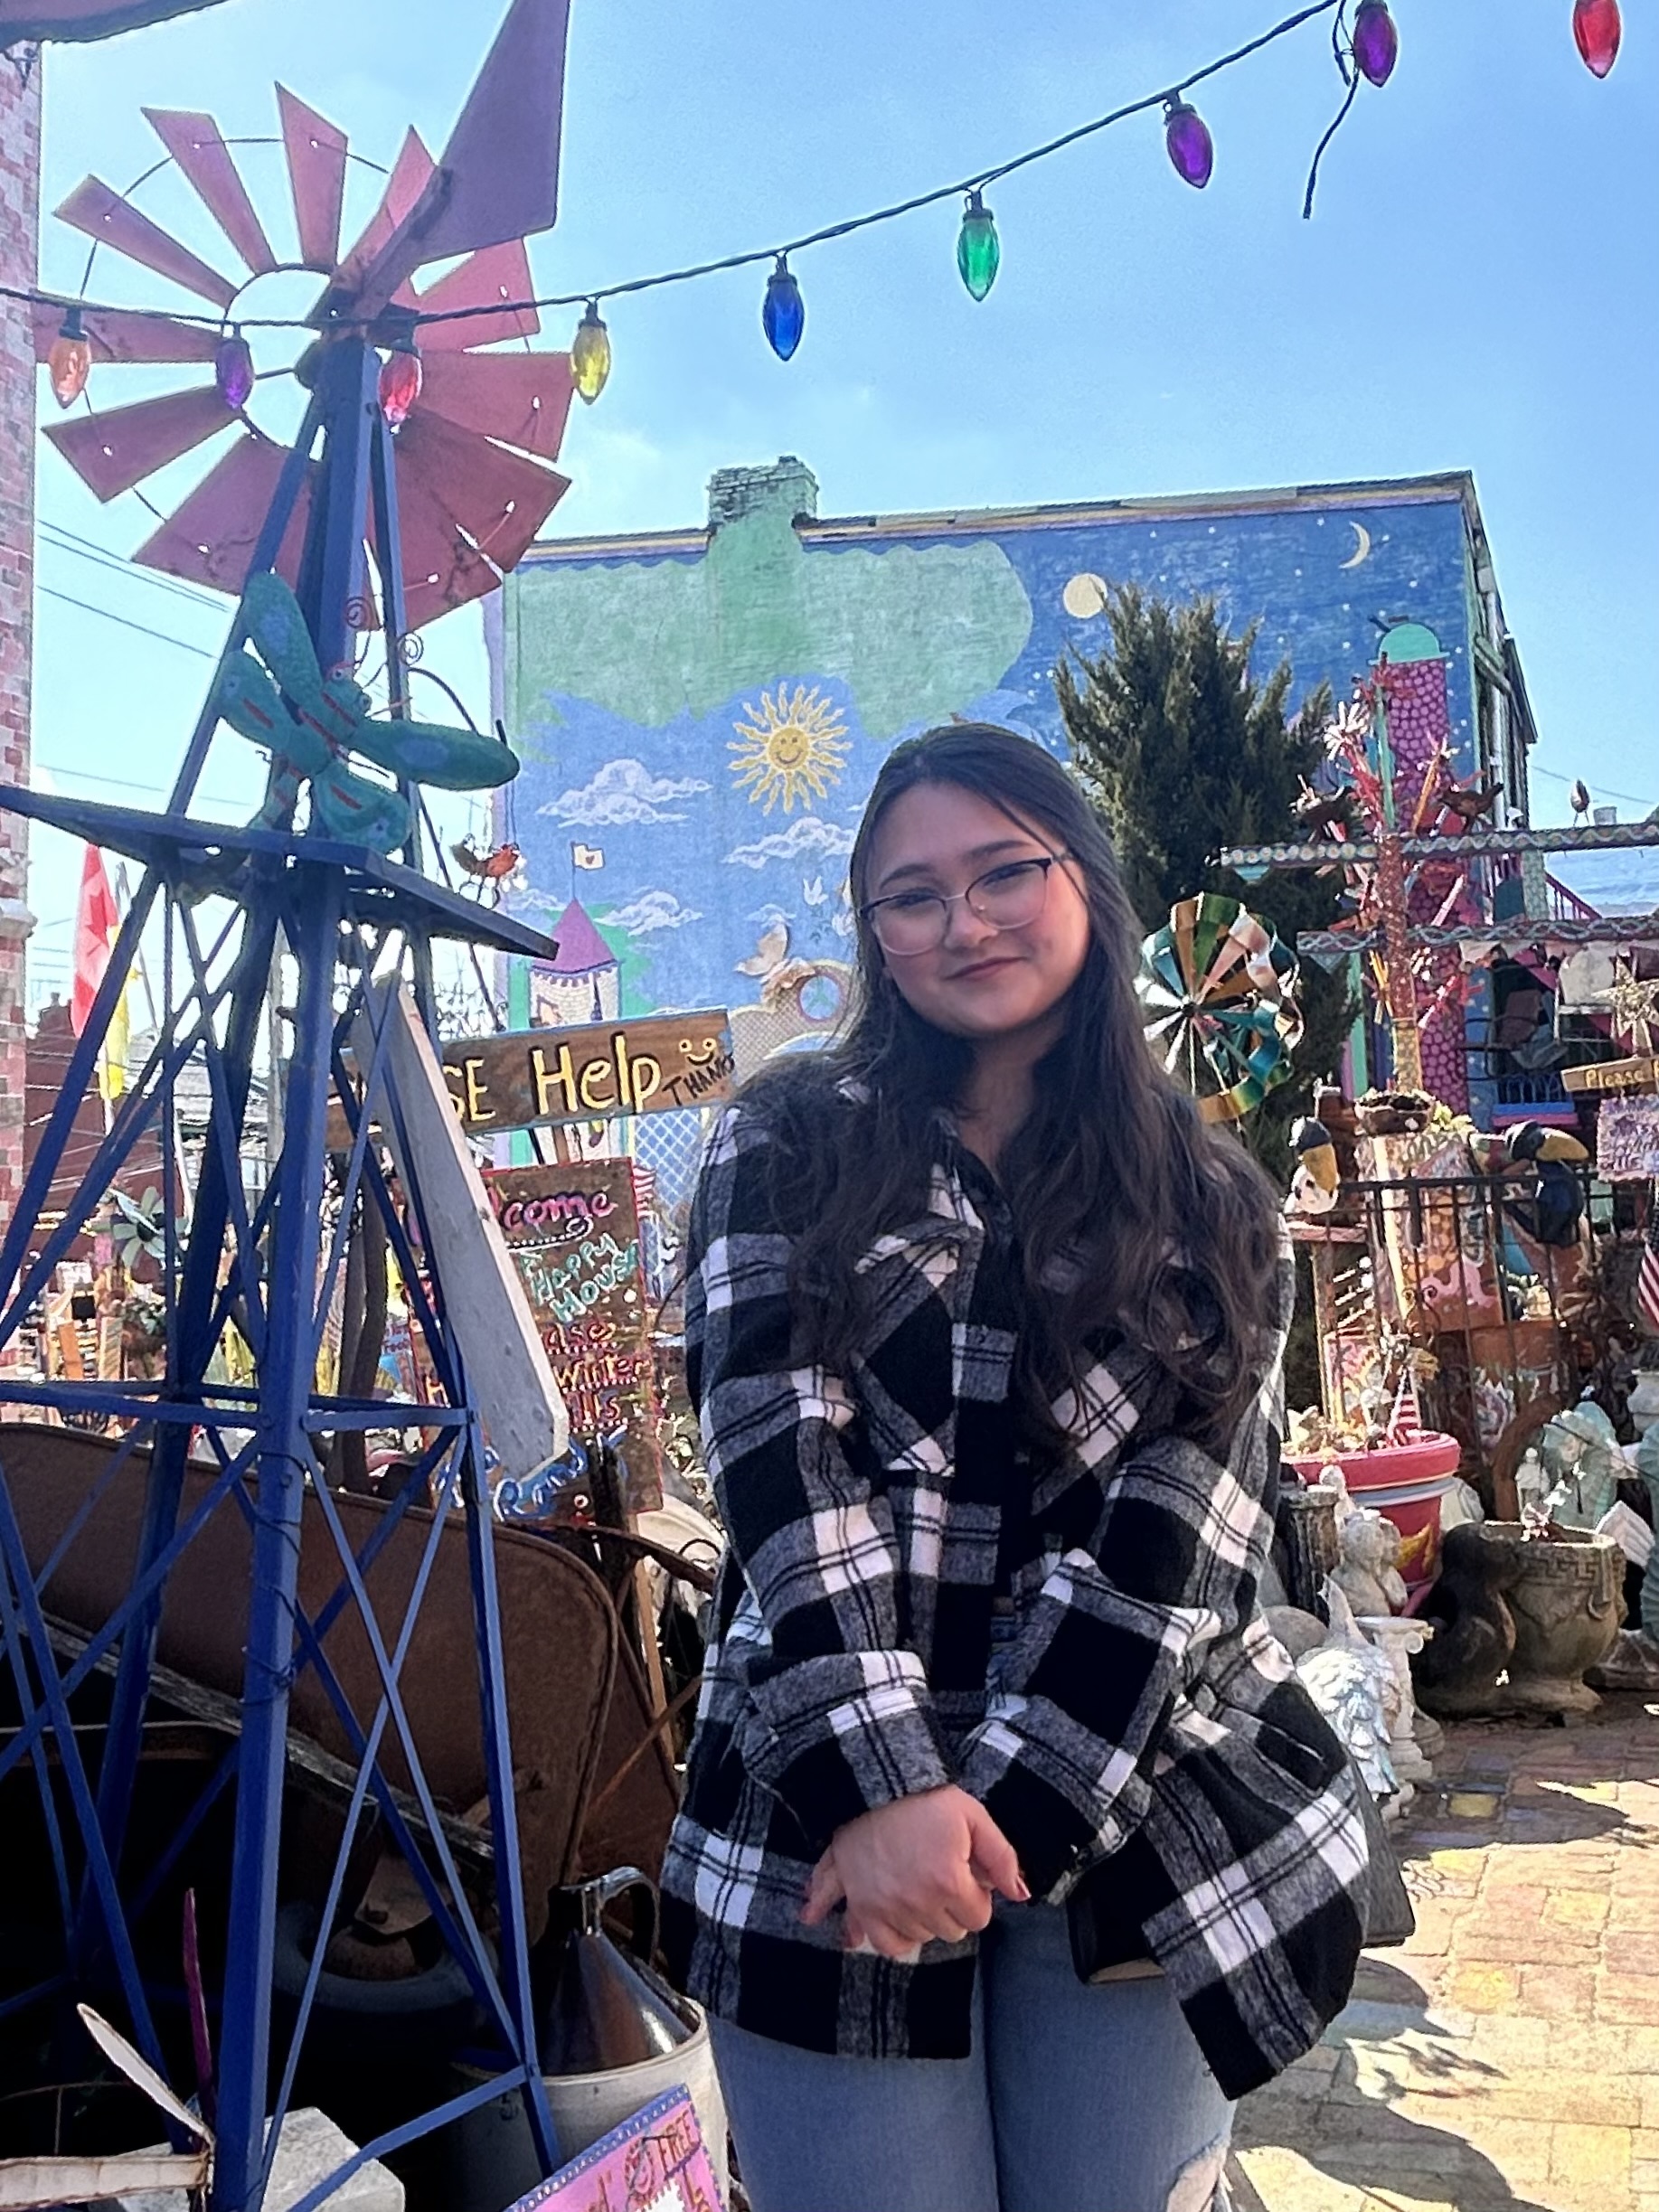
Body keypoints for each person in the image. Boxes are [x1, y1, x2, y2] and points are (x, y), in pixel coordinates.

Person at [660, 724, 1369, 2212]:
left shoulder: (1211, 1201)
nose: (961, 920)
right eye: (911, 896)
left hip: (1131, 1816)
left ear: (1086, 886)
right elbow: (782, 1479)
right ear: (873, 933)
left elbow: (1182, 1552)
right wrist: (886, 1791)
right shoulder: (790, 1142)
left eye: (1002, 873)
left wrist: (1004, 1828)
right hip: (824, 1836)